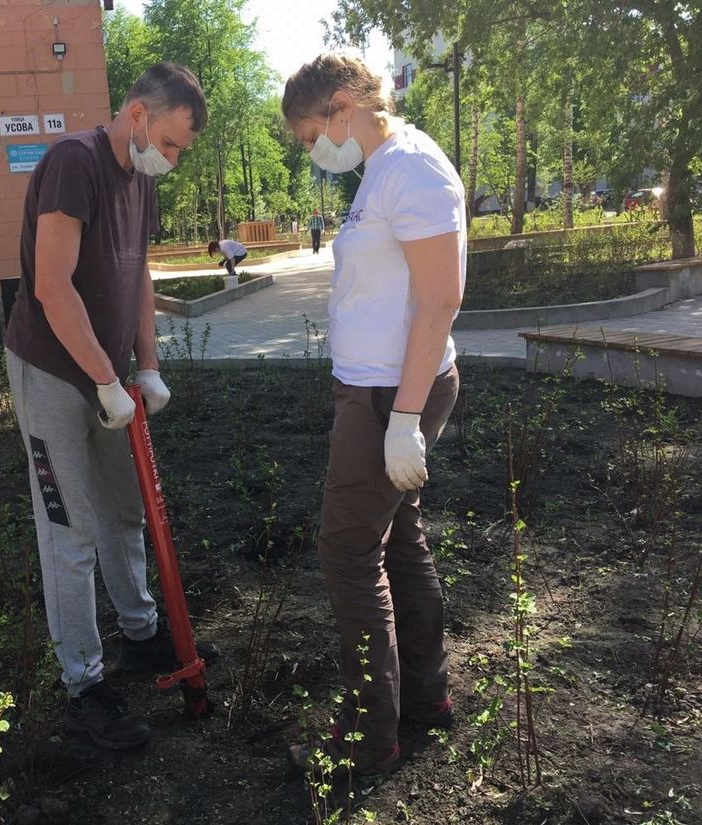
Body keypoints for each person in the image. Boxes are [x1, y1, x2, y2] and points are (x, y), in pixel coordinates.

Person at [4, 62, 216, 752]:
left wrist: (146, 366)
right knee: (70, 528)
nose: (172, 159)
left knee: (126, 509)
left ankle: (140, 631)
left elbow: (138, 274)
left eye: (181, 149)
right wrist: (102, 378)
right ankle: (83, 685)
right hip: (51, 371)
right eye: (171, 142)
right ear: (137, 115)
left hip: (110, 376)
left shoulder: (139, 178)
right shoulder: (75, 163)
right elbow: (51, 285)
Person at [280, 54, 466, 783]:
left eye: (309, 135)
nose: (312, 151)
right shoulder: (384, 169)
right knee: (397, 540)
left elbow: (441, 299)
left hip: (391, 396)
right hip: (379, 393)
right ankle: (424, 695)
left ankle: (367, 735)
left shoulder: (412, 168)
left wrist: (404, 418)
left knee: (347, 553)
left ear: (341, 103)